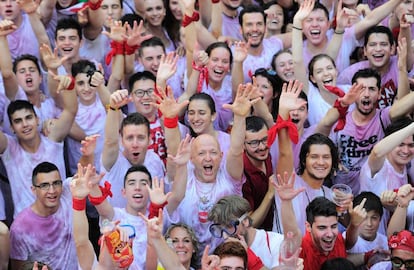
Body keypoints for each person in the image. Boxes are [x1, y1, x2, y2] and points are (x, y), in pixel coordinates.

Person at [317, 67, 414, 194]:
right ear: (352, 91)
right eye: (361, 89)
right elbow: (321, 143)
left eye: (372, 89)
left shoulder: (383, 117)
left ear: (379, 93)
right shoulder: (339, 120)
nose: (366, 94)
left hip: (373, 195)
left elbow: (401, 107)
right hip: (341, 194)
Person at [0, 73, 77, 217]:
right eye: (18, 121)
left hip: (63, 223)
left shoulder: (53, 139)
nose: (24, 124)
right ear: (11, 128)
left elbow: (71, 111)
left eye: (28, 118)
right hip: (27, 228)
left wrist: (70, 86)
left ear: (37, 119)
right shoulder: (9, 147)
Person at [208, 170, 303, 270]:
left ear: (245, 221)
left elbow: (294, 236)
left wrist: (286, 202)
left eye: (229, 226)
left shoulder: (274, 243)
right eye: (219, 229)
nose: (225, 235)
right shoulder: (220, 250)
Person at [100, 89, 165, 208]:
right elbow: (110, 141)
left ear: (149, 139)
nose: (135, 144)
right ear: (121, 140)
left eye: (140, 137)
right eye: (129, 138)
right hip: (116, 226)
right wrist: (113, 108)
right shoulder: (113, 161)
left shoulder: (155, 160)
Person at [9, 162, 77, 270]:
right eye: (44, 185)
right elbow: (18, 268)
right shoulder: (19, 229)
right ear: (34, 190)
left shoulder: (68, 192)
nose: (52, 190)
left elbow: (83, 175)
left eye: (56, 183)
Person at [337, 26, 412, 108]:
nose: (378, 49)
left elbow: (405, 47)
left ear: (392, 48)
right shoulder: (349, 75)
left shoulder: (399, 64)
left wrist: (404, 27)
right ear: (365, 50)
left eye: (383, 44)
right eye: (372, 45)